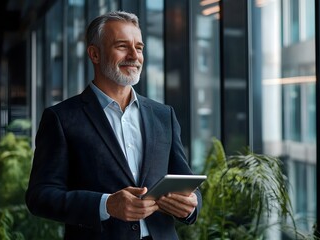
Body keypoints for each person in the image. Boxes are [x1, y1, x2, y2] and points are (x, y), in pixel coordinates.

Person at [25, 10, 202, 240]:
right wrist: (106, 205)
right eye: (122, 46)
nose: (134, 55)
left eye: (139, 48)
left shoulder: (163, 115)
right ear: (94, 54)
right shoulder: (61, 118)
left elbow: (186, 183)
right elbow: (40, 196)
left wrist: (191, 205)